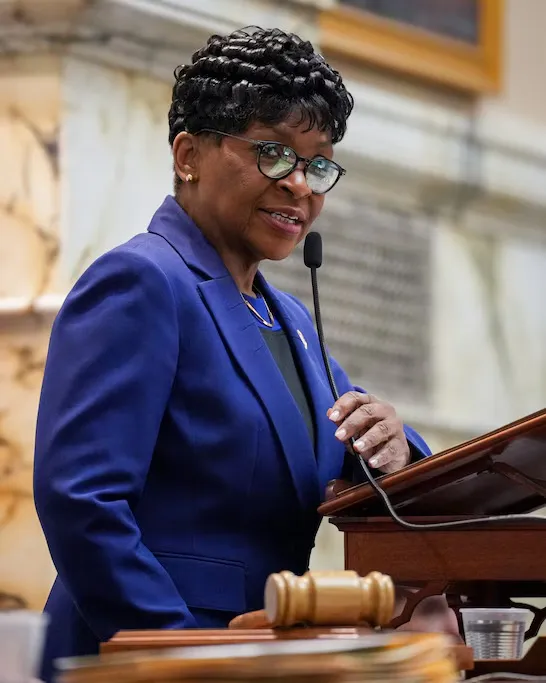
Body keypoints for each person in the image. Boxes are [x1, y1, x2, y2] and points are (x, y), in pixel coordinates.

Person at [34, 27, 434, 681]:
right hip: (141, 657)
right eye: (274, 153)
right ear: (189, 154)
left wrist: (395, 445)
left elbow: (337, 447)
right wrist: (186, 654)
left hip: (258, 655)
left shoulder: (291, 320)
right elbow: (83, 501)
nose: (300, 185)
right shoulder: (143, 281)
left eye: (318, 164)